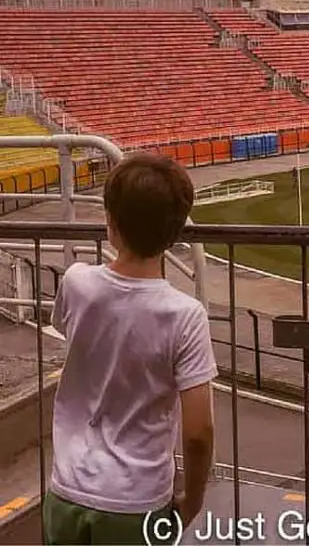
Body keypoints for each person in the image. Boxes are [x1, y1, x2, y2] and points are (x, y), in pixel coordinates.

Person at [44, 153, 217, 546]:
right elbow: (199, 431)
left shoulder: (76, 282)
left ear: (111, 224)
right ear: (174, 235)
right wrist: (193, 499)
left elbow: (71, 329)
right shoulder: (185, 316)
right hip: (137, 501)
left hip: (66, 489)